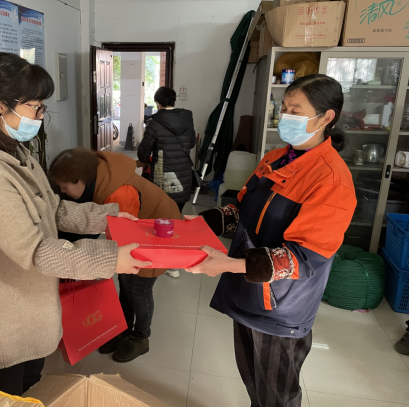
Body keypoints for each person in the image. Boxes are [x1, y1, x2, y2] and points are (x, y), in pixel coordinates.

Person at [0, 53, 151, 396]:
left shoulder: (15, 153)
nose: (40, 116)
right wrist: (111, 258)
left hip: (29, 308)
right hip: (0, 321)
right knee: (7, 397)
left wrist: (108, 218)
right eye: (35, 107)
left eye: (42, 107)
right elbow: (35, 250)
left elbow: (52, 209)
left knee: (31, 387)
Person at [185, 74, 357, 407]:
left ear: (326, 117)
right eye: (284, 108)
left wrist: (229, 264)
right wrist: (202, 223)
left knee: (277, 395)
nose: (285, 116)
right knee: (254, 383)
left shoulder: (331, 179)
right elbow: (242, 211)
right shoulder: (275, 159)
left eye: (296, 110)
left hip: (281, 307)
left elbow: (304, 257)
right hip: (248, 291)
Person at [49, 148, 181, 363]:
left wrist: (91, 258)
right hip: (138, 232)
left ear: (80, 180)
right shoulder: (97, 180)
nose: (64, 193)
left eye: (65, 187)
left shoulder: (119, 191)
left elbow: (123, 233)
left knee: (139, 290)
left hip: (157, 234)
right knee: (126, 283)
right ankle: (122, 330)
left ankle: (140, 338)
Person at [138, 86, 196, 278]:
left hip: (162, 179)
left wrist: (147, 159)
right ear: (175, 101)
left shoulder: (154, 122)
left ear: (157, 103)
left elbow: (143, 152)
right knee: (175, 219)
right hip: (183, 177)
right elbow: (191, 143)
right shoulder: (187, 118)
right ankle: (173, 265)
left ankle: (160, 261)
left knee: (159, 219)